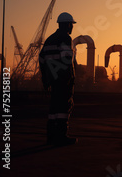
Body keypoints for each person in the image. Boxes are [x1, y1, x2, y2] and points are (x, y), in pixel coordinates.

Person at [39, 12, 77, 146]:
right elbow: (67, 62)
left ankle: (51, 136)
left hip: (53, 81)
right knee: (63, 108)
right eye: (71, 25)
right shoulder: (66, 39)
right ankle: (62, 136)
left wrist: (45, 79)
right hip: (63, 81)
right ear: (67, 25)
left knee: (53, 109)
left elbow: (42, 60)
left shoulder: (49, 40)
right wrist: (70, 78)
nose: (72, 28)